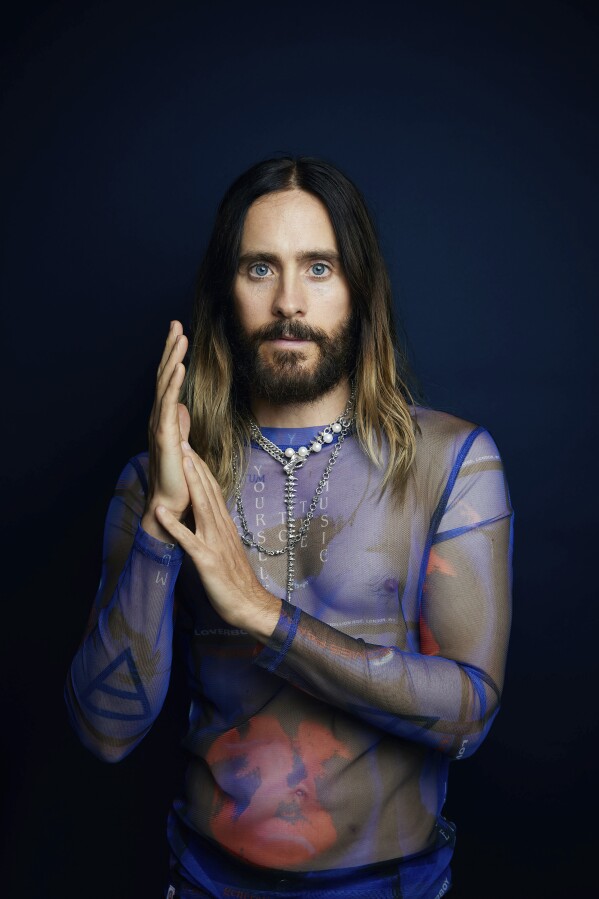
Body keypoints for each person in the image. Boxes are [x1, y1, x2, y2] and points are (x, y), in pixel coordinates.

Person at [65, 156, 513, 899]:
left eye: (317, 267)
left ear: (358, 287)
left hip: (390, 884)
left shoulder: (450, 463)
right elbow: (105, 735)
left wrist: (262, 616)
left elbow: (468, 717)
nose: (286, 302)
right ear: (225, 291)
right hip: (208, 879)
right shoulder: (163, 475)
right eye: (258, 268)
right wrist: (158, 526)